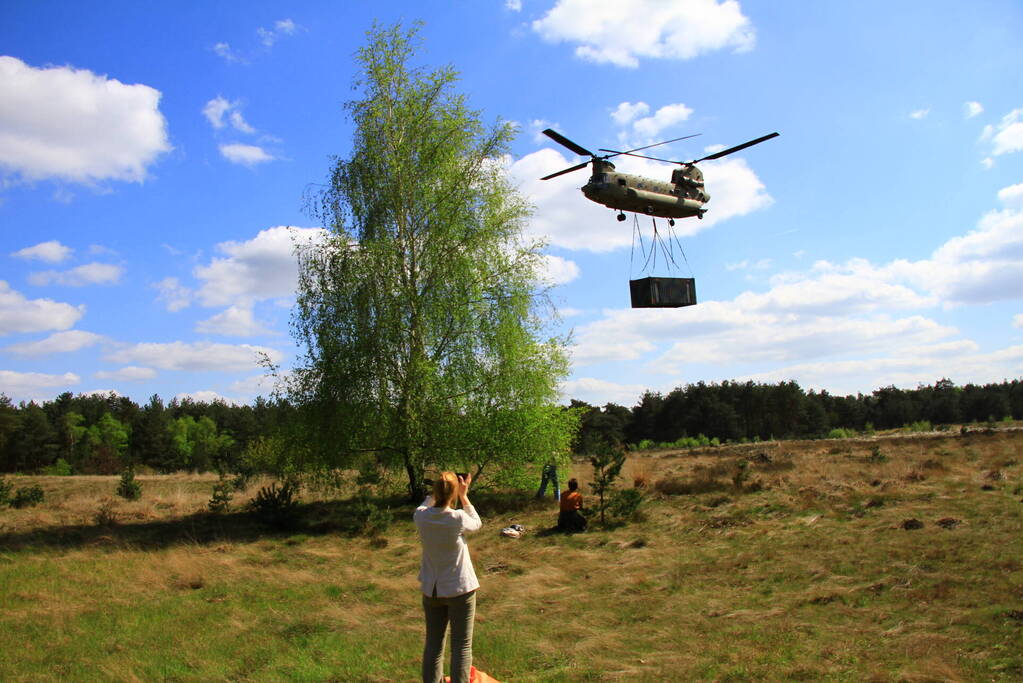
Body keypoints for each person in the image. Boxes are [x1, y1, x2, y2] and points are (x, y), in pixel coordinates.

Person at [414, 472, 482, 683]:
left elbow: (427, 503)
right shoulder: (457, 518)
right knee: (461, 645)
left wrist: (439, 490)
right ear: (453, 493)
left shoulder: (421, 516)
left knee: (433, 645)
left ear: (434, 492)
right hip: (459, 588)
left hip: (432, 588)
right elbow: (476, 523)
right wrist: (464, 495)